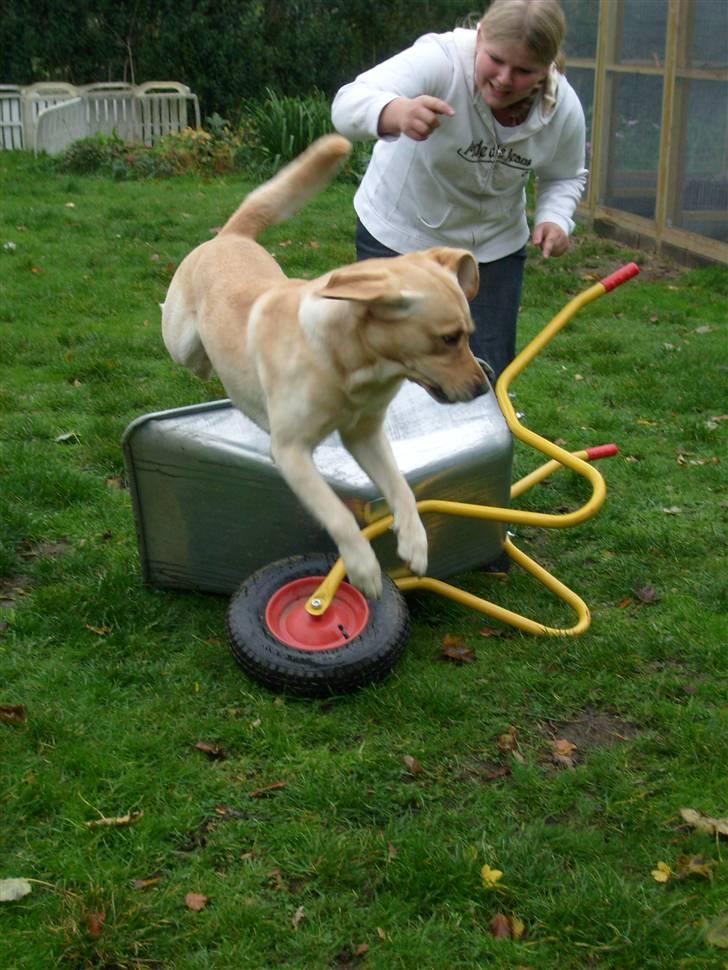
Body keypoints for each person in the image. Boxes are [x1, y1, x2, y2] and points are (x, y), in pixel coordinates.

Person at [331, 0, 587, 381]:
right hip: (400, 236)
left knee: (483, 372)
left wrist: (555, 217)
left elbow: (565, 175)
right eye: (496, 60)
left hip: (492, 250)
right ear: (480, 37)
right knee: (387, 366)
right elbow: (348, 102)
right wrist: (395, 111)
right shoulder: (442, 61)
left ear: (546, 67)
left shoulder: (561, 108)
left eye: (523, 71)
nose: (504, 79)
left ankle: (476, 422)